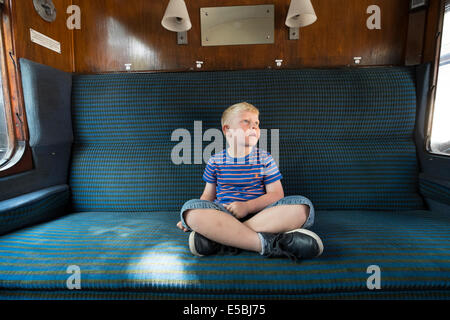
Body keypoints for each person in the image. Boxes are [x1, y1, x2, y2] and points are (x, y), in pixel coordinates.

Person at [177, 102, 323, 261]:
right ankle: (270, 243)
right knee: (190, 209)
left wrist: (247, 206)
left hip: (262, 215)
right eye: (246, 121)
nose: (254, 126)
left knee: (303, 207)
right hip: (224, 214)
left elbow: (276, 194)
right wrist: (188, 218)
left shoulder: (265, 158)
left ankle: (219, 239)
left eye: (257, 123)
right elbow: (207, 196)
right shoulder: (215, 161)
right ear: (227, 130)